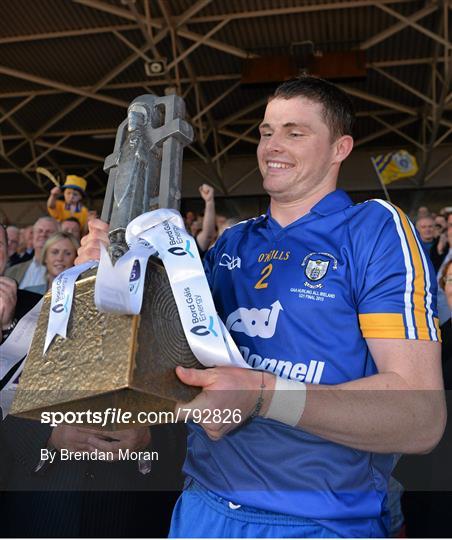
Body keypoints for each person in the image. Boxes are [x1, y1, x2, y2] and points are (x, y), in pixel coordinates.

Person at [77, 76, 445, 538]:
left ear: (340, 148)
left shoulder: (374, 229)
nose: (273, 145)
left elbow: (421, 419)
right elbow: (178, 365)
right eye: (266, 132)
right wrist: (105, 276)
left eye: (295, 132)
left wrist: (262, 395)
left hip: (316, 521)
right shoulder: (231, 242)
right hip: (201, 507)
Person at [5, 216, 59, 290]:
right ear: (33, 236)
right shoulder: (12, 271)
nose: (43, 234)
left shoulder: (62, 271)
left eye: (49, 232)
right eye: (40, 231)